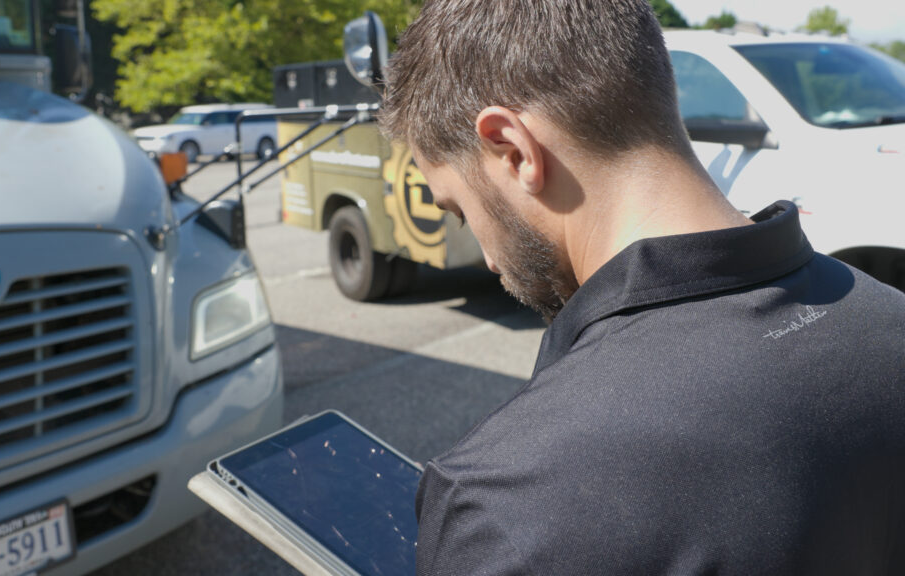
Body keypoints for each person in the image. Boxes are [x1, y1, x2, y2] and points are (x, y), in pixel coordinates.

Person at [377, 1, 905, 574]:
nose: (486, 258)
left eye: (459, 210)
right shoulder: (890, 316)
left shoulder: (506, 502)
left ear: (513, 149)